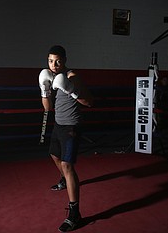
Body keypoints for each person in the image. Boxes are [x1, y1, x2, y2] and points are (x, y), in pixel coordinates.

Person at [38, 45, 93, 232]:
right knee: (54, 156)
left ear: (65, 60)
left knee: (68, 165)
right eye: (50, 61)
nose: (54, 65)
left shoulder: (72, 77)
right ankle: (64, 179)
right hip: (58, 125)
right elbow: (47, 108)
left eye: (58, 61)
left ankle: (74, 214)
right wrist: (44, 90)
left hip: (72, 127)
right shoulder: (51, 77)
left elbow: (89, 102)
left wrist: (72, 90)